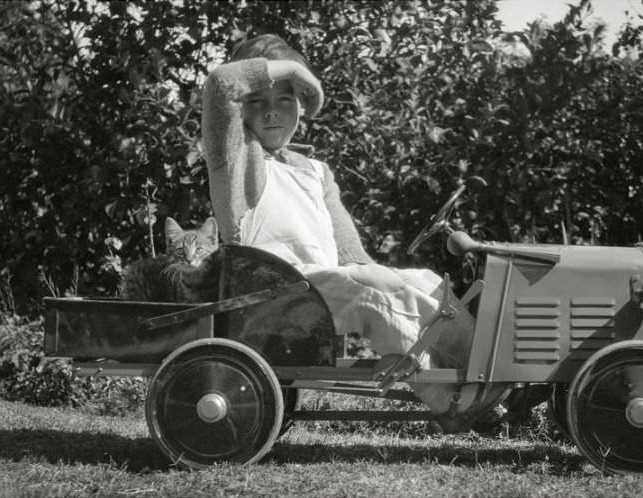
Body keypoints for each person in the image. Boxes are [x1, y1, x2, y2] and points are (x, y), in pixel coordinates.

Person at [202, 34, 504, 430]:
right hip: (267, 296)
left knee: (423, 280)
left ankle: (492, 371)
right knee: (373, 285)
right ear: (242, 111)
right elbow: (221, 83)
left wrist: (389, 279)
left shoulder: (315, 173)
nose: (271, 113)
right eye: (257, 101)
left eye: (284, 99)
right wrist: (295, 71)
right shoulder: (236, 160)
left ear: (301, 106)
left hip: (321, 291)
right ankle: (449, 402)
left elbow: (353, 256)